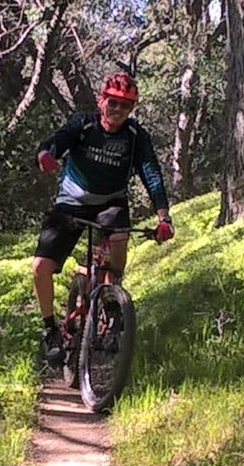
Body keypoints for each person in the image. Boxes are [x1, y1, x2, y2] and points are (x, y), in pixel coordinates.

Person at [34, 68, 174, 366]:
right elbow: (57, 140)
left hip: (111, 203)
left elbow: (151, 174)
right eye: (113, 102)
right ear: (102, 101)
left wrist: (164, 217)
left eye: (125, 105)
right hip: (70, 203)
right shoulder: (83, 126)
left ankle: (111, 304)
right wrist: (48, 155)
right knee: (40, 268)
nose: (118, 110)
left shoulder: (136, 137)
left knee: (119, 241)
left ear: (132, 108)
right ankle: (50, 331)